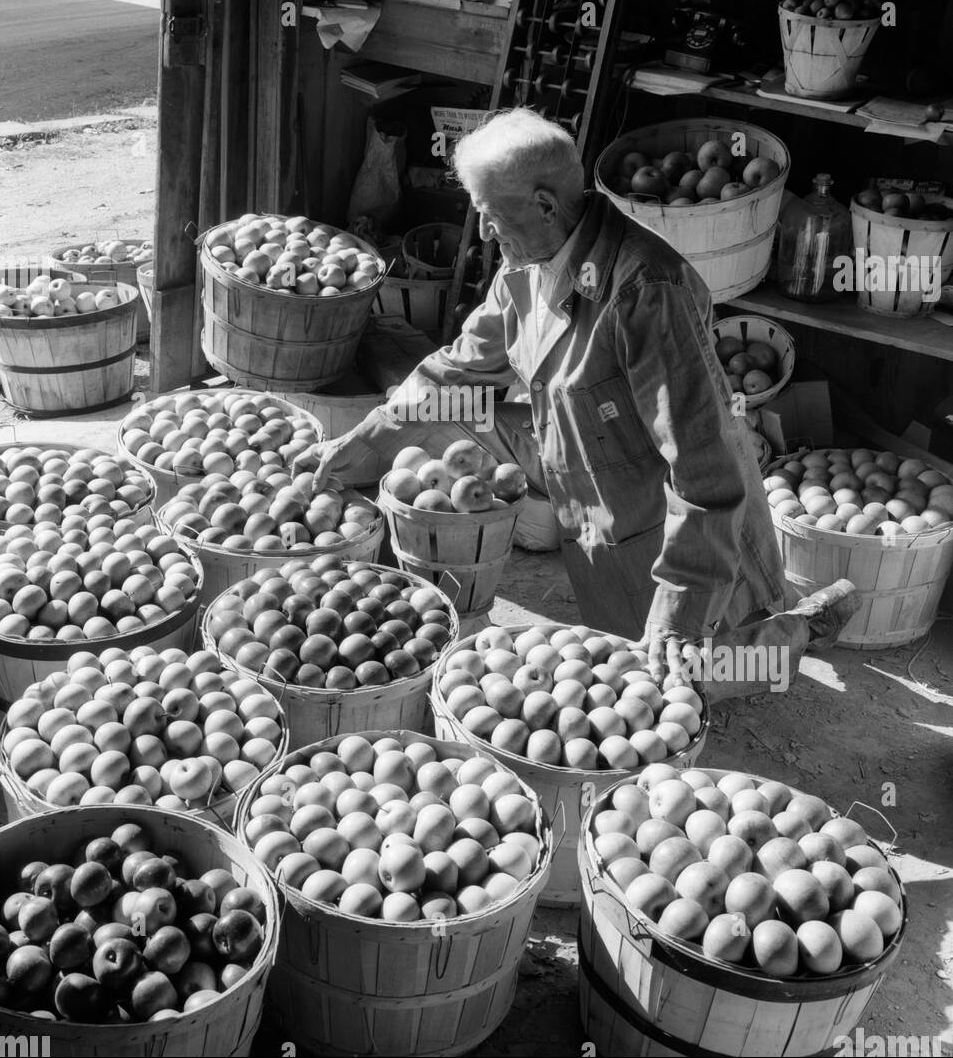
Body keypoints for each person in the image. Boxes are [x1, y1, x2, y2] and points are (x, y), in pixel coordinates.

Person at [295, 108, 858, 691]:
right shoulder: (527, 268)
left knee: (696, 673)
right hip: (573, 450)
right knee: (439, 419)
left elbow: (703, 463)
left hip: (657, 493)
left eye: (489, 214)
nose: (483, 232)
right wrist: (365, 438)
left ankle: (800, 628)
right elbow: (456, 374)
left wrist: (680, 608)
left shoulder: (645, 291)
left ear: (544, 205)